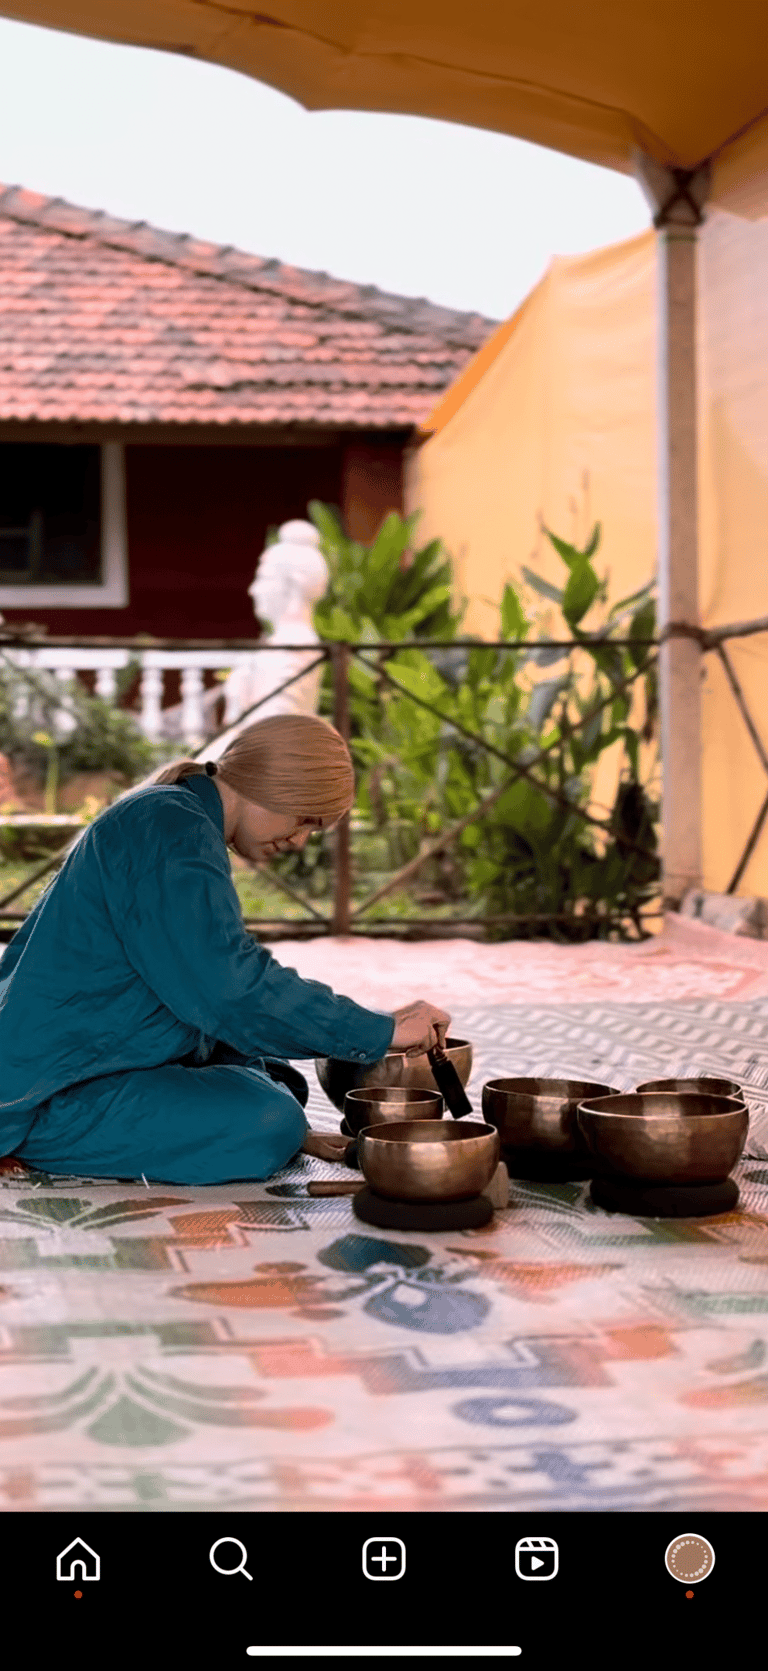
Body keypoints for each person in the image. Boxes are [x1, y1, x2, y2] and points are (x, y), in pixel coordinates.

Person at [0, 713, 450, 1185]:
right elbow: (230, 989)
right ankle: (25, 1140)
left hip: (107, 1058)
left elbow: (209, 1000)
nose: (299, 841)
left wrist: (301, 1122)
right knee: (267, 1121)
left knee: (276, 1078)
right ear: (272, 787)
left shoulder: (178, 818)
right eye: (304, 820)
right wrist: (378, 1030)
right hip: (47, 1091)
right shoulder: (170, 827)